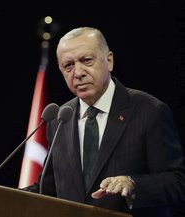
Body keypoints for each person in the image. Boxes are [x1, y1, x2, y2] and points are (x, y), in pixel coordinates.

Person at [22, 27, 185, 217]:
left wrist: (133, 183)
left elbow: (177, 182)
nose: (78, 72)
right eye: (68, 66)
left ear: (109, 61)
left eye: (86, 60)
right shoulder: (60, 119)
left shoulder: (149, 111)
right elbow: (47, 189)